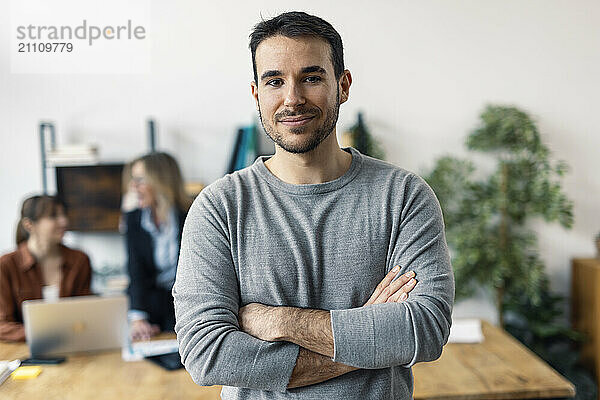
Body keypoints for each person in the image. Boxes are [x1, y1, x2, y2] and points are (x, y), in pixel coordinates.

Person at [173, 11, 454, 399]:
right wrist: (371, 336)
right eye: (275, 81)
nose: (293, 98)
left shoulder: (404, 195)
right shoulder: (218, 208)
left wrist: (279, 321)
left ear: (343, 85)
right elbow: (208, 356)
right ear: (257, 94)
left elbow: (425, 329)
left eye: (311, 77)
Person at [0, 195, 92, 342]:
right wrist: (44, 335)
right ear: (29, 225)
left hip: (75, 346)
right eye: (53, 216)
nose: (64, 221)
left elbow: (88, 314)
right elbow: (2, 325)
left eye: (64, 215)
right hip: (24, 351)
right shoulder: (6, 265)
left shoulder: (79, 260)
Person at [124, 152, 191, 341]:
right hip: (151, 306)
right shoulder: (133, 219)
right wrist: (138, 318)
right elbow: (135, 271)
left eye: (140, 180)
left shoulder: (192, 215)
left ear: (161, 181)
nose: (133, 186)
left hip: (185, 305)